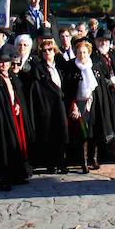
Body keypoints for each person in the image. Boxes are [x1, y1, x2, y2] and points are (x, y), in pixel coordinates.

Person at [0, 46, 33, 191]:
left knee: (16, 145)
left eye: (6, 62)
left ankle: (17, 175)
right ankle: (5, 179)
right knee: (5, 148)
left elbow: (15, 95)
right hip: (2, 119)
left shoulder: (11, 77)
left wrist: (17, 104)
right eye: (1, 62)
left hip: (13, 116)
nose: (4, 64)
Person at [63, 39, 115, 173]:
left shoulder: (95, 65)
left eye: (84, 52)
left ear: (88, 52)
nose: (82, 55)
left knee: (94, 132)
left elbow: (102, 83)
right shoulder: (71, 66)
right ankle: (83, 161)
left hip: (94, 102)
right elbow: (68, 89)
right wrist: (73, 106)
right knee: (82, 134)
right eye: (79, 52)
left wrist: (113, 85)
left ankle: (93, 158)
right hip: (78, 103)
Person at [28, 38, 69, 173]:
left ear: (54, 50)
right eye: (44, 50)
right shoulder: (39, 68)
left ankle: (62, 162)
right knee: (49, 134)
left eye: (50, 49)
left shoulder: (59, 66)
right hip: (47, 106)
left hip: (60, 104)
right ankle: (51, 164)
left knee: (62, 133)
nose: (47, 52)